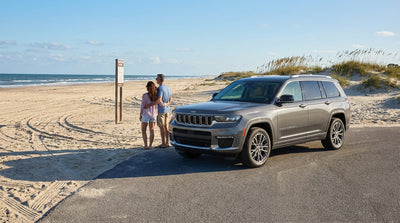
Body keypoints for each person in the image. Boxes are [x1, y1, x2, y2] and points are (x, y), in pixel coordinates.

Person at [146, 73, 172, 148]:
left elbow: (159, 100)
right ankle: (167, 142)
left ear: (160, 79)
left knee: (161, 127)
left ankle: (163, 143)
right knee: (166, 127)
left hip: (161, 110)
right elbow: (170, 100)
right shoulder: (168, 88)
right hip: (167, 109)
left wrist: (150, 105)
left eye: (156, 78)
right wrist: (167, 104)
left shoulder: (160, 88)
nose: (156, 80)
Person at [140, 81, 158, 150]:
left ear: (147, 88)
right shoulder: (156, 96)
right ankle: (150, 145)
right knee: (152, 130)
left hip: (146, 114)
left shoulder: (144, 96)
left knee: (143, 130)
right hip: (153, 115)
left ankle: (146, 145)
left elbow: (142, 106)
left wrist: (140, 114)